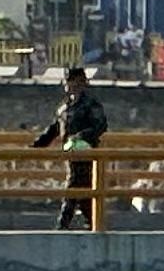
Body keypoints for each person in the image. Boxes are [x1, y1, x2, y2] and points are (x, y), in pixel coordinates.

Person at [31, 64, 110, 230]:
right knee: (84, 194)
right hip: (70, 157)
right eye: (67, 81)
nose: (68, 84)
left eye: (72, 81)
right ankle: (94, 223)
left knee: (73, 189)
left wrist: (82, 136)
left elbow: (100, 125)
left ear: (80, 82)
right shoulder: (65, 106)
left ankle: (62, 226)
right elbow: (55, 128)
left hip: (86, 154)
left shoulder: (90, 104)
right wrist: (39, 144)